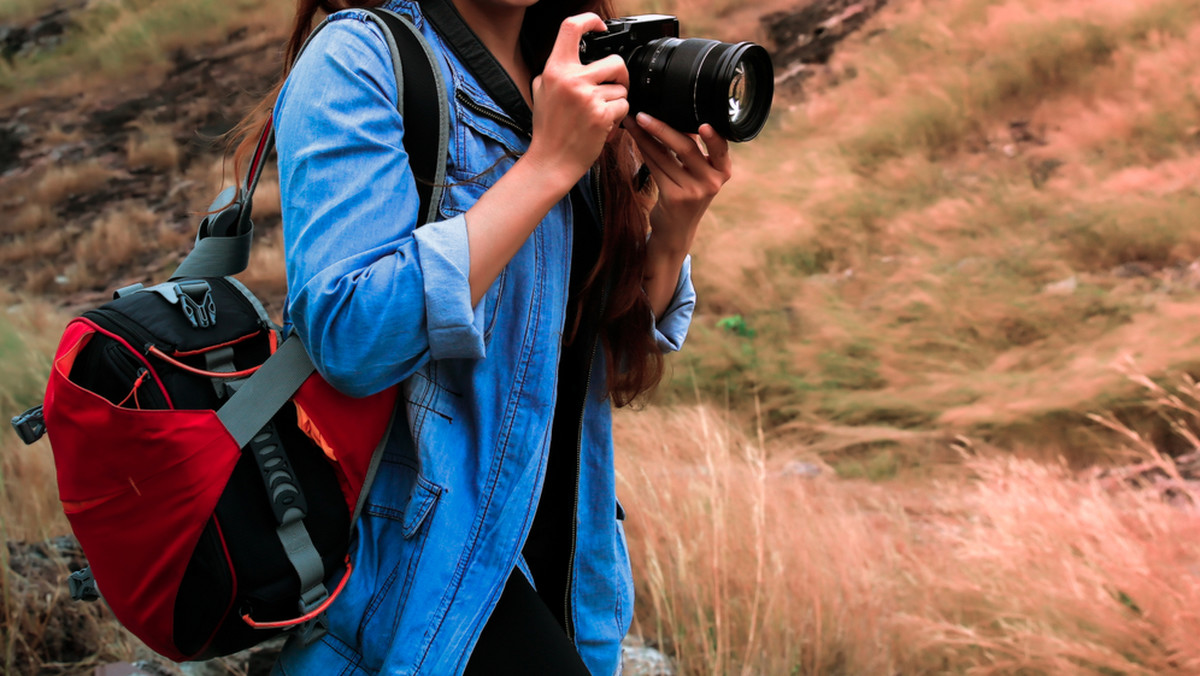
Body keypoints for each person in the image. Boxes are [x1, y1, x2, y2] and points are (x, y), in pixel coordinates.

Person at [232, 0, 732, 673]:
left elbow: (597, 372)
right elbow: (349, 337)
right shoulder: (358, 62)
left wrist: (673, 229)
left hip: (566, 567)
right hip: (424, 573)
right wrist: (547, 165)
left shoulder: (573, 68)